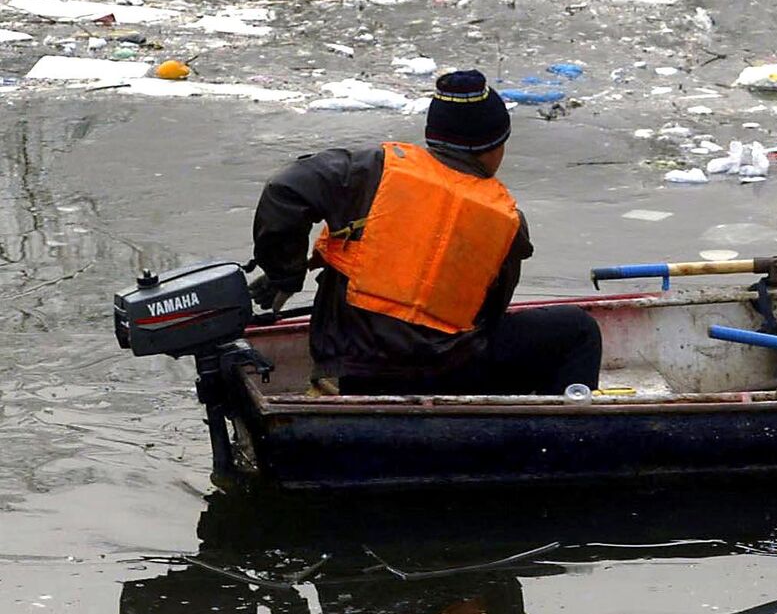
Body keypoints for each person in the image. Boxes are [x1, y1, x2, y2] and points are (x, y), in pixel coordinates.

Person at [250, 70, 601, 395]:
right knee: (578, 331)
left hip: (355, 374)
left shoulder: (370, 170)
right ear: (495, 147)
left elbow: (285, 188)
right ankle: (563, 431)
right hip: (449, 372)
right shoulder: (507, 220)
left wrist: (286, 274)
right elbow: (490, 315)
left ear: (434, 136)